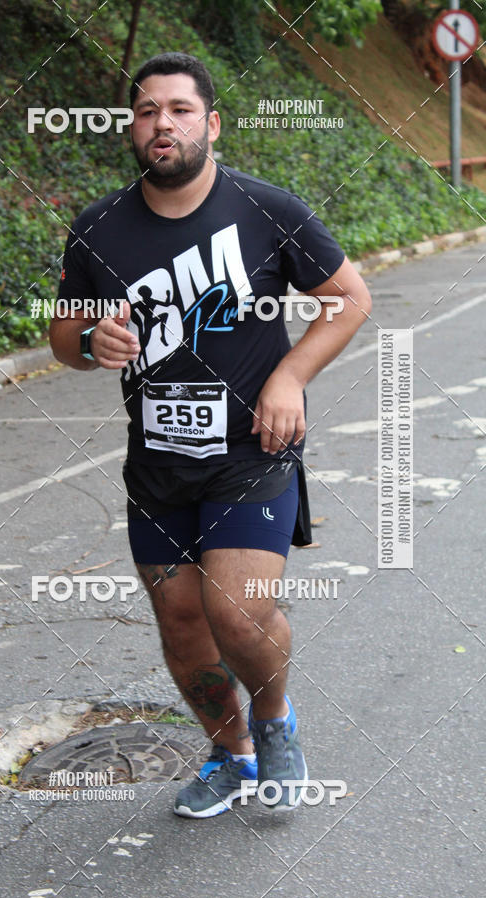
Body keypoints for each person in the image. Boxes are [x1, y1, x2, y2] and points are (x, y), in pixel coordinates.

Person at [49, 52, 372, 818]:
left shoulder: (267, 210)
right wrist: (93, 343)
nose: (163, 123)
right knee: (184, 623)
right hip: (157, 462)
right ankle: (230, 756)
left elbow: (349, 298)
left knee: (236, 611)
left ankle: (276, 724)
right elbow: (63, 336)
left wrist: (289, 378)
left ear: (211, 123)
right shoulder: (99, 225)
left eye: (180, 110)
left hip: (251, 453)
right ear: (133, 128)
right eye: (148, 111)